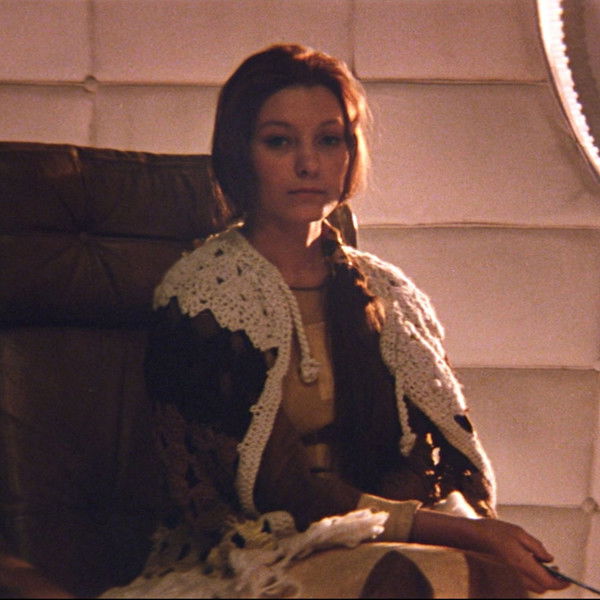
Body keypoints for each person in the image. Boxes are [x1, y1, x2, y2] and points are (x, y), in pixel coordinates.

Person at [104, 43, 569, 598]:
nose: (309, 164)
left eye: (329, 140)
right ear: (240, 153)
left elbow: (422, 461)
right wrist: (453, 532)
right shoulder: (204, 296)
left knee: (489, 577)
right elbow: (280, 493)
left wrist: (464, 531)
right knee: (411, 579)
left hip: (378, 543)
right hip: (248, 554)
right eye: (279, 142)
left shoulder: (387, 293)